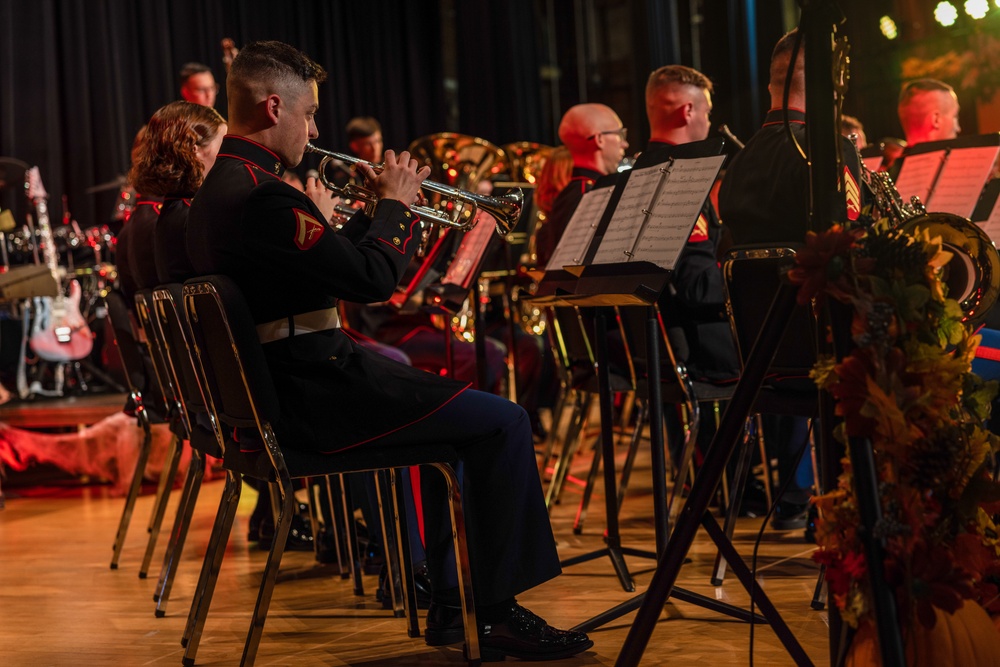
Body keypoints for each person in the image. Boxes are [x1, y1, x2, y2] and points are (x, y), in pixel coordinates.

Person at [186, 40, 591, 661]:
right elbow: (374, 281)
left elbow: (328, 270)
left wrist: (366, 216)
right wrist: (397, 206)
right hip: (317, 397)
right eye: (310, 114)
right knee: (504, 422)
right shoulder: (264, 194)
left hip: (296, 387)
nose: (316, 129)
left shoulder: (227, 187)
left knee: (456, 423)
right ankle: (498, 611)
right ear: (274, 108)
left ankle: (455, 603)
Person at [718, 29, 864, 532]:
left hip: (764, 363)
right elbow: (855, 251)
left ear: (771, 85)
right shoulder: (825, 151)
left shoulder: (736, 166)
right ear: (829, 85)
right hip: (832, 359)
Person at [128, 101, 227, 285]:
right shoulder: (196, 218)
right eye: (223, 144)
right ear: (195, 151)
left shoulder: (173, 209)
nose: (228, 154)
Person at [535, 103, 628, 268]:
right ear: (599, 139)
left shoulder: (576, 191)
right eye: (620, 134)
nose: (624, 144)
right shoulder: (587, 194)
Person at [898, 78, 960, 147]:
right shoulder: (964, 156)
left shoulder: (893, 157)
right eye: (955, 116)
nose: (958, 129)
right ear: (936, 120)